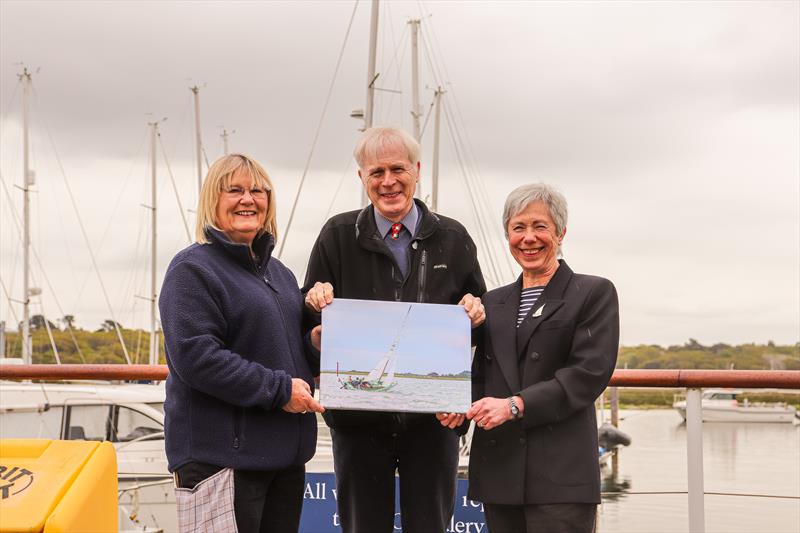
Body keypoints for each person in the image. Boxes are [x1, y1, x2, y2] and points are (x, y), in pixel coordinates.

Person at [303, 127, 486, 533]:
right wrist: (316, 309)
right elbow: (308, 326)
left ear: (417, 170)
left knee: (431, 527)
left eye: (398, 169)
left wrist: (476, 313)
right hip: (357, 425)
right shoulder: (336, 235)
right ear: (362, 179)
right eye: (376, 172)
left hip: (434, 424)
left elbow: (479, 327)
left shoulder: (454, 238)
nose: (388, 182)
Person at [159, 154, 325, 533]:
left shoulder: (279, 273)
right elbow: (196, 357)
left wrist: (314, 346)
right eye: (234, 190)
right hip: (221, 461)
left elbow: (287, 352)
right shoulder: (192, 269)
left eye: (257, 190)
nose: (248, 199)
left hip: (283, 459)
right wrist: (280, 389)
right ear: (212, 200)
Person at [466, 183, 619, 533]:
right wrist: (455, 407)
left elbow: (587, 373)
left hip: (561, 479)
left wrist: (516, 405)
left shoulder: (593, 292)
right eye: (518, 228)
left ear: (561, 232)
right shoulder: (492, 302)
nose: (529, 238)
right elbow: (479, 376)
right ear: (507, 234)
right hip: (499, 473)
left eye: (540, 227)